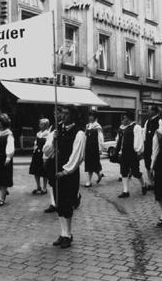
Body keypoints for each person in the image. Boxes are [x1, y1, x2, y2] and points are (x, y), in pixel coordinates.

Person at [43, 105, 85, 249]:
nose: (63, 116)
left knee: (67, 204)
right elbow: (48, 152)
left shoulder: (79, 133)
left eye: (67, 114)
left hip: (68, 173)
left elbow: (77, 156)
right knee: (59, 203)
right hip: (55, 170)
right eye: (62, 113)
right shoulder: (56, 130)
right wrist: (52, 141)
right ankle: (63, 233)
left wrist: (66, 171)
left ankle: (68, 234)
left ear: (73, 116)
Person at [116, 111, 147, 198]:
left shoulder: (136, 127)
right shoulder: (122, 128)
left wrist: (139, 151)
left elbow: (139, 139)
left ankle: (144, 184)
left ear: (128, 118)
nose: (123, 120)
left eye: (124, 118)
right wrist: (119, 152)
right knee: (124, 171)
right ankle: (126, 191)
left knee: (135, 172)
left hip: (132, 153)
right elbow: (120, 141)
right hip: (124, 153)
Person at [142, 106, 162, 190]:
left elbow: (161, 133)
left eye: (149, 110)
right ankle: (151, 183)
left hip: (156, 146)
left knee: (156, 164)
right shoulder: (147, 121)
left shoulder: (160, 121)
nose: (148, 111)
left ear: (154, 111)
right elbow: (144, 133)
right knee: (147, 164)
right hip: (148, 146)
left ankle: (158, 182)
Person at [29, 118, 50, 195]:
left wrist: (46, 156)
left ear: (45, 125)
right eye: (40, 124)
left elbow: (48, 145)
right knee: (36, 170)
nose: (39, 125)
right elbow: (36, 143)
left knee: (44, 172)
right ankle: (38, 186)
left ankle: (44, 188)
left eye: (41, 124)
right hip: (36, 154)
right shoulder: (38, 133)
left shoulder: (48, 134)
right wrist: (34, 150)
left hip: (43, 154)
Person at [84, 111, 105, 187]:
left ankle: (89, 181)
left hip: (95, 148)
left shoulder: (98, 127)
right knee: (91, 164)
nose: (90, 117)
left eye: (92, 116)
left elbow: (100, 139)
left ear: (95, 117)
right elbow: (85, 137)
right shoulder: (87, 126)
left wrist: (100, 149)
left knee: (93, 164)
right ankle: (99, 175)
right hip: (88, 148)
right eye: (89, 116)